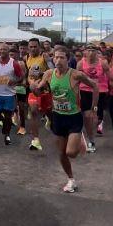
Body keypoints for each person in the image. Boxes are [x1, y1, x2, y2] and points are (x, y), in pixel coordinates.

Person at [36, 46, 98, 193]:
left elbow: (95, 86)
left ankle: (80, 140)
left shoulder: (76, 75)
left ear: (68, 59)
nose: (58, 60)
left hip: (74, 117)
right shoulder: (49, 74)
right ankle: (71, 179)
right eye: (56, 57)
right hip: (57, 117)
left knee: (71, 153)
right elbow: (38, 91)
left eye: (62, 57)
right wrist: (34, 86)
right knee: (62, 153)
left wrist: (93, 108)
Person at [0, 43, 25, 145]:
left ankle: (7, 136)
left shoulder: (14, 63)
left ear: (8, 51)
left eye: (4, 49)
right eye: (0, 49)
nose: (2, 51)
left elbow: (21, 76)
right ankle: (4, 121)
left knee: (8, 116)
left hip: (9, 95)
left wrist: (15, 82)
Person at [77, 46, 111, 152]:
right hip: (85, 92)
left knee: (97, 118)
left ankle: (97, 124)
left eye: (93, 50)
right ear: (85, 52)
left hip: (100, 92)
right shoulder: (81, 63)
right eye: (89, 50)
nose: (91, 52)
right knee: (87, 116)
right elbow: (76, 80)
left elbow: (111, 78)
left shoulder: (103, 63)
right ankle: (91, 141)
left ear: (97, 52)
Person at [24, 38, 50, 151]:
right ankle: (35, 140)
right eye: (31, 47)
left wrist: (41, 73)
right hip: (33, 90)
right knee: (34, 112)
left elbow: (53, 71)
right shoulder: (26, 58)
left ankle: (49, 117)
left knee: (49, 112)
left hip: (45, 90)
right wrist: (26, 81)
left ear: (39, 47)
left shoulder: (44, 56)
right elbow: (27, 73)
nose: (33, 49)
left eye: (35, 46)